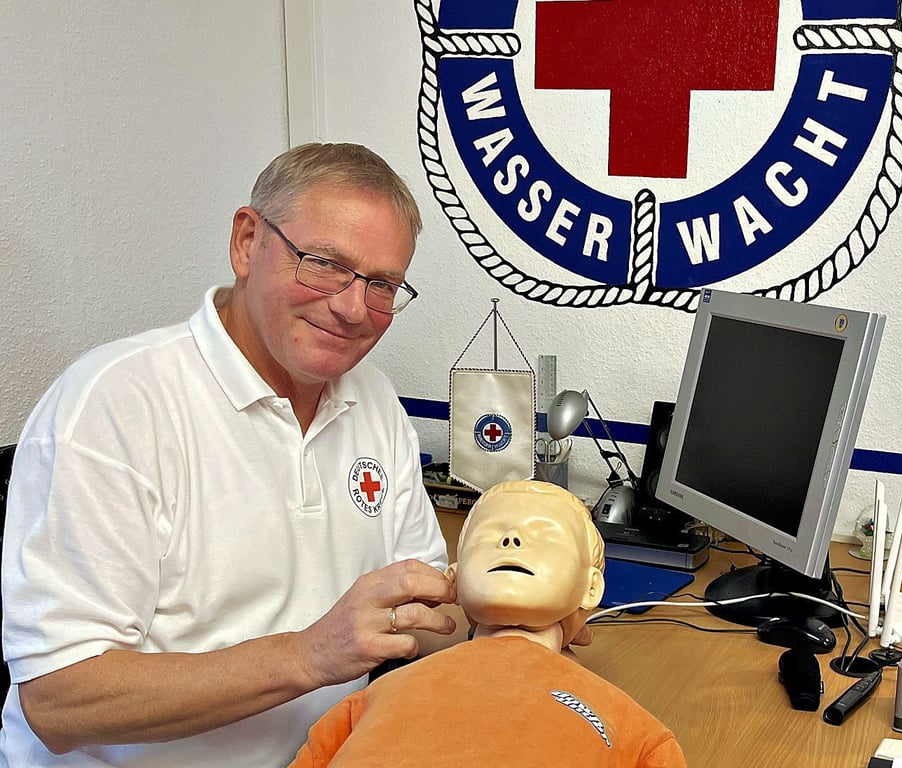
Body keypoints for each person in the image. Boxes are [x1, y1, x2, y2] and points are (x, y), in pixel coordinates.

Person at [0, 143, 461, 767]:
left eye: (382, 284)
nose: (354, 308)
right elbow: (58, 703)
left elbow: (424, 618)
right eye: (324, 263)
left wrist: (519, 611)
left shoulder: (374, 401)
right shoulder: (113, 405)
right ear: (247, 242)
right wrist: (309, 655)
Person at [288, 480, 688, 768]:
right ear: (455, 578)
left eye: (544, 535)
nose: (510, 541)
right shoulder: (368, 700)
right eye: (491, 534)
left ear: (591, 586)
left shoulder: (634, 732)